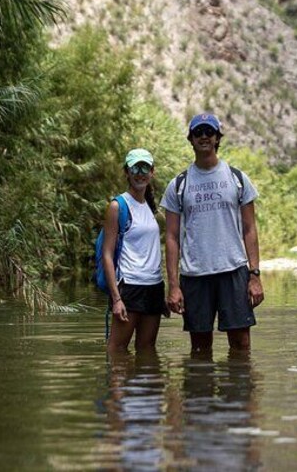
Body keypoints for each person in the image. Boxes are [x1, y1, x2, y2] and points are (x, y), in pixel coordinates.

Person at [161, 113, 264, 352]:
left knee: (241, 344)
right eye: (198, 132)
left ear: (218, 138)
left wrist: (255, 275)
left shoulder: (237, 179)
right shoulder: (178, 185)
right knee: (199, 348)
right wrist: (174, 286)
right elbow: (172, 238)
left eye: (209, 132)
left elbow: (250, 229)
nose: (204, 137)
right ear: (191, 139)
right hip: (195, 275)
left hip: (234, 272)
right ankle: (200, 389)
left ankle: (239, 387)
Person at [102, 148, 165, 353]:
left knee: (147, 351)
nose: (140, 172)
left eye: (145, 167)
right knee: (117, 350)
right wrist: (117, 299)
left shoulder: (150, 207)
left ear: (152, 172)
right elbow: (107, 254)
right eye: (135, 167)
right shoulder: (117, 206)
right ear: (126, 172)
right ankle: (117, 386)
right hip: (129, 287)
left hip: (154, 287)